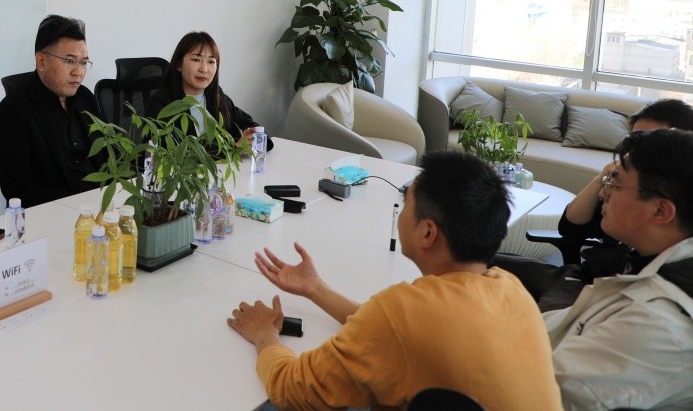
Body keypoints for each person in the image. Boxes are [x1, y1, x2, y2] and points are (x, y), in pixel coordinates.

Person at [227, 151, 561, 410]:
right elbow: (393, 331)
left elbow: (292, 390)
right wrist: (316, 289)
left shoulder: (402, 312)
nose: (400, 212)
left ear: (427, 233)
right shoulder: (510, 288)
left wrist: (264, 336)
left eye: (405, 204)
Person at [493, 98, 693, 311]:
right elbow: (570, 226)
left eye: (648, 140)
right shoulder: (625, 195)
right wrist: (604, 178)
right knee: (478, 260)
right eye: (634, 139)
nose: (636, 150)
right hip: (577, 277)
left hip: (593, 294)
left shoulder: (666, 223)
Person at [546, 128, 693, 410]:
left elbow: (536, 395)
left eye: (614, 182)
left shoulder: (657, 325)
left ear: (661, 211)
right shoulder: (654, 264)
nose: (603, 193)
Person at [0, 14, 108, 207]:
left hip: (101, 205)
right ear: (41, 61)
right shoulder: (13, 111)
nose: (78, 72)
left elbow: (108, 155)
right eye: (69, 61)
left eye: (83, 62)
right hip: (56, 212)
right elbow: (18, 188)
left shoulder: (85, 97)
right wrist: (76, 203)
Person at [146, 31, 273, 151]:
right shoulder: (162, 103)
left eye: (211, 61)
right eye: (196, 60)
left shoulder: (216, 95)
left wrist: (254, 137)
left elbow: (247, 122)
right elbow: (176, 153)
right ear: (179, 64)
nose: (204, 69)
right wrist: (233, 149)